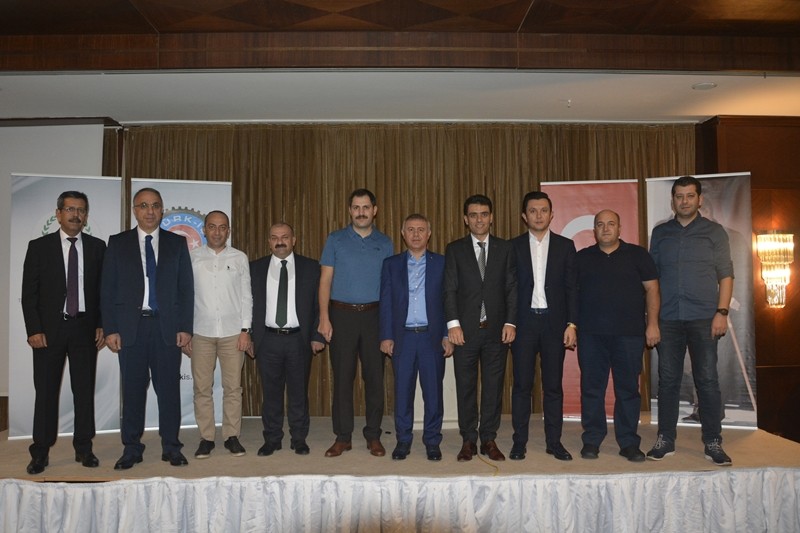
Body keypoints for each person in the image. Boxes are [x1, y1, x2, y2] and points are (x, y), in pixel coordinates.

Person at [101, 187, 194, 470]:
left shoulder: (177, 243)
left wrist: (185, 327)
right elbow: (107, 289)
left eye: (155, 205)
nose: (149, 211)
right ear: (135, 210)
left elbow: (186, 288)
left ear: (162, 209)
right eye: (143, 205)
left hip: (166, 328)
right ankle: (131, 448)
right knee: (132, 392)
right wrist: (110, 328)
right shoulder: (118, 243)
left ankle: (171, 446)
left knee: (169, 392)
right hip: (131, 329)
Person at [648, 175, 734, 466]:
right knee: (668, 381)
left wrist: (722, 312)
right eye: (679, 196)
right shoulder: (660, 233)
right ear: (672, 200)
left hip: (704, 318)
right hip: (668, 318)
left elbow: (726, 274)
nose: (684, 201)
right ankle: (665, 439)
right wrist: (652, 319)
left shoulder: (715, 232)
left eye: (689, 196)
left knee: (707, 380)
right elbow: (652, 280)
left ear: (700, 199)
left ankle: (713, 441)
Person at [21, 191, 106, 475]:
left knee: (84, 391)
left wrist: (101, 323)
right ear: (58, 214)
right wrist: (34, 329)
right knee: (46, 392)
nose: (75, 215)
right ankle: (40, 452)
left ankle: (84, 447)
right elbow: (29, 293)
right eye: (70, 209)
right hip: (49, 331)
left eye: (81, 210)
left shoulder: (97, 247)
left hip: (85, 329)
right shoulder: (39, 247)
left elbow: (102, 292)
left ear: (86, 216)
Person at [576, 210, 660, 462]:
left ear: (620, 228)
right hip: (591, 336)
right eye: (600, 224)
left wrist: (652, 324)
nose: (605, 228)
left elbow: (652, 289)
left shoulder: (638, 255)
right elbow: (571, 294)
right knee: (592, 389)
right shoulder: (582, 258)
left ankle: (628, 442)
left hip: (629, 336)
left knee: (628, 390)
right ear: (594, 230)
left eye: (611, 223)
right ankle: (592, 440)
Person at [318, 189, 393, 457]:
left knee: (374, 378)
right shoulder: (335, 239)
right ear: (350, 210)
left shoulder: (386, 243)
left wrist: (389, 324)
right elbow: (325, 281)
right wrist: (324, 317)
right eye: (356, 207)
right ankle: (343, 436)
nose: (361, 212)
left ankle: (373, 435)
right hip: (342, 316)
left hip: (375, 316)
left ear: (375, 210)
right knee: (342, 378)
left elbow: (389, 287)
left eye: (366, 207)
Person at [444, 194, 517, 462]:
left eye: (484, 214)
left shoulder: (505, 248)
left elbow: (512, 288)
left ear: (491, 217)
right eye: (473, 215)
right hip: (465, 332)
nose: (479, 220)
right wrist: (453, 324)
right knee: (465, 387)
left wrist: (511, 322)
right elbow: (449, 289)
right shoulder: (455, 249)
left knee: (493, 387)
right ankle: (468, 439)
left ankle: (488, 438)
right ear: (466, 219)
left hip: (497, 330)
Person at [509, 190, 578, 461]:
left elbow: (572, 288)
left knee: (553, 387)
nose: (538, 215)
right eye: (533, 211)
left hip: (554, 324)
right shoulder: (512, 247)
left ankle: (554, 442)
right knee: (521, 386)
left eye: (543, 210)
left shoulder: (565, 246)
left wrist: (572, 324)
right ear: (524, 216)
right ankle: (519, 442)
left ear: (552, 215)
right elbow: (508, 289)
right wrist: (509, 322)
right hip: (523, 324)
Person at [379, 214, 453, 461]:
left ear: (429, 233)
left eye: (421, 229)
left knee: (433, 393)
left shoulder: (442, 263)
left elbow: (449, 301)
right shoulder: (391, 264)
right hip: (403, 338)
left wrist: (447, 333)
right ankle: (403, 440)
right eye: (410, 229)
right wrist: (386, 335)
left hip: (432, 337)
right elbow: (386, 302)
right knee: (403, 392)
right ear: (403, 233)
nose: (416, 234)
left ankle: (432, 440)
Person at [250, 222, 325, 456]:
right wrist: (250, 336)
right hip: (267, 339)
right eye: (274, 237)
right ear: (268, 242)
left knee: (298, 392)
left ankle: (299, 438)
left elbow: (319, 305)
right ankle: (272, 438)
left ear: (294, 240)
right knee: (270, 393)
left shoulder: (311, 267)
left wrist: (317, 335)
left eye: (284, 237)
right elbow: (247, 305)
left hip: (298, 339)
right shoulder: (255, 268)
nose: (280, 242)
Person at [185, 210, 252, 459]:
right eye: (212, 227)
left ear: (228, 231)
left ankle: (232, 436)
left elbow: (246, 296)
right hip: (200, 332)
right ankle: (206, 438)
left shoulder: (239, 258)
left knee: (233, 388)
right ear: (204, 230)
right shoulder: (192, 258)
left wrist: (245, 330)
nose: (217, 232)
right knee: (202, 388)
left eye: (222, 227)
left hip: (233, 333)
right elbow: (184, 296)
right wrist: (186, 332)